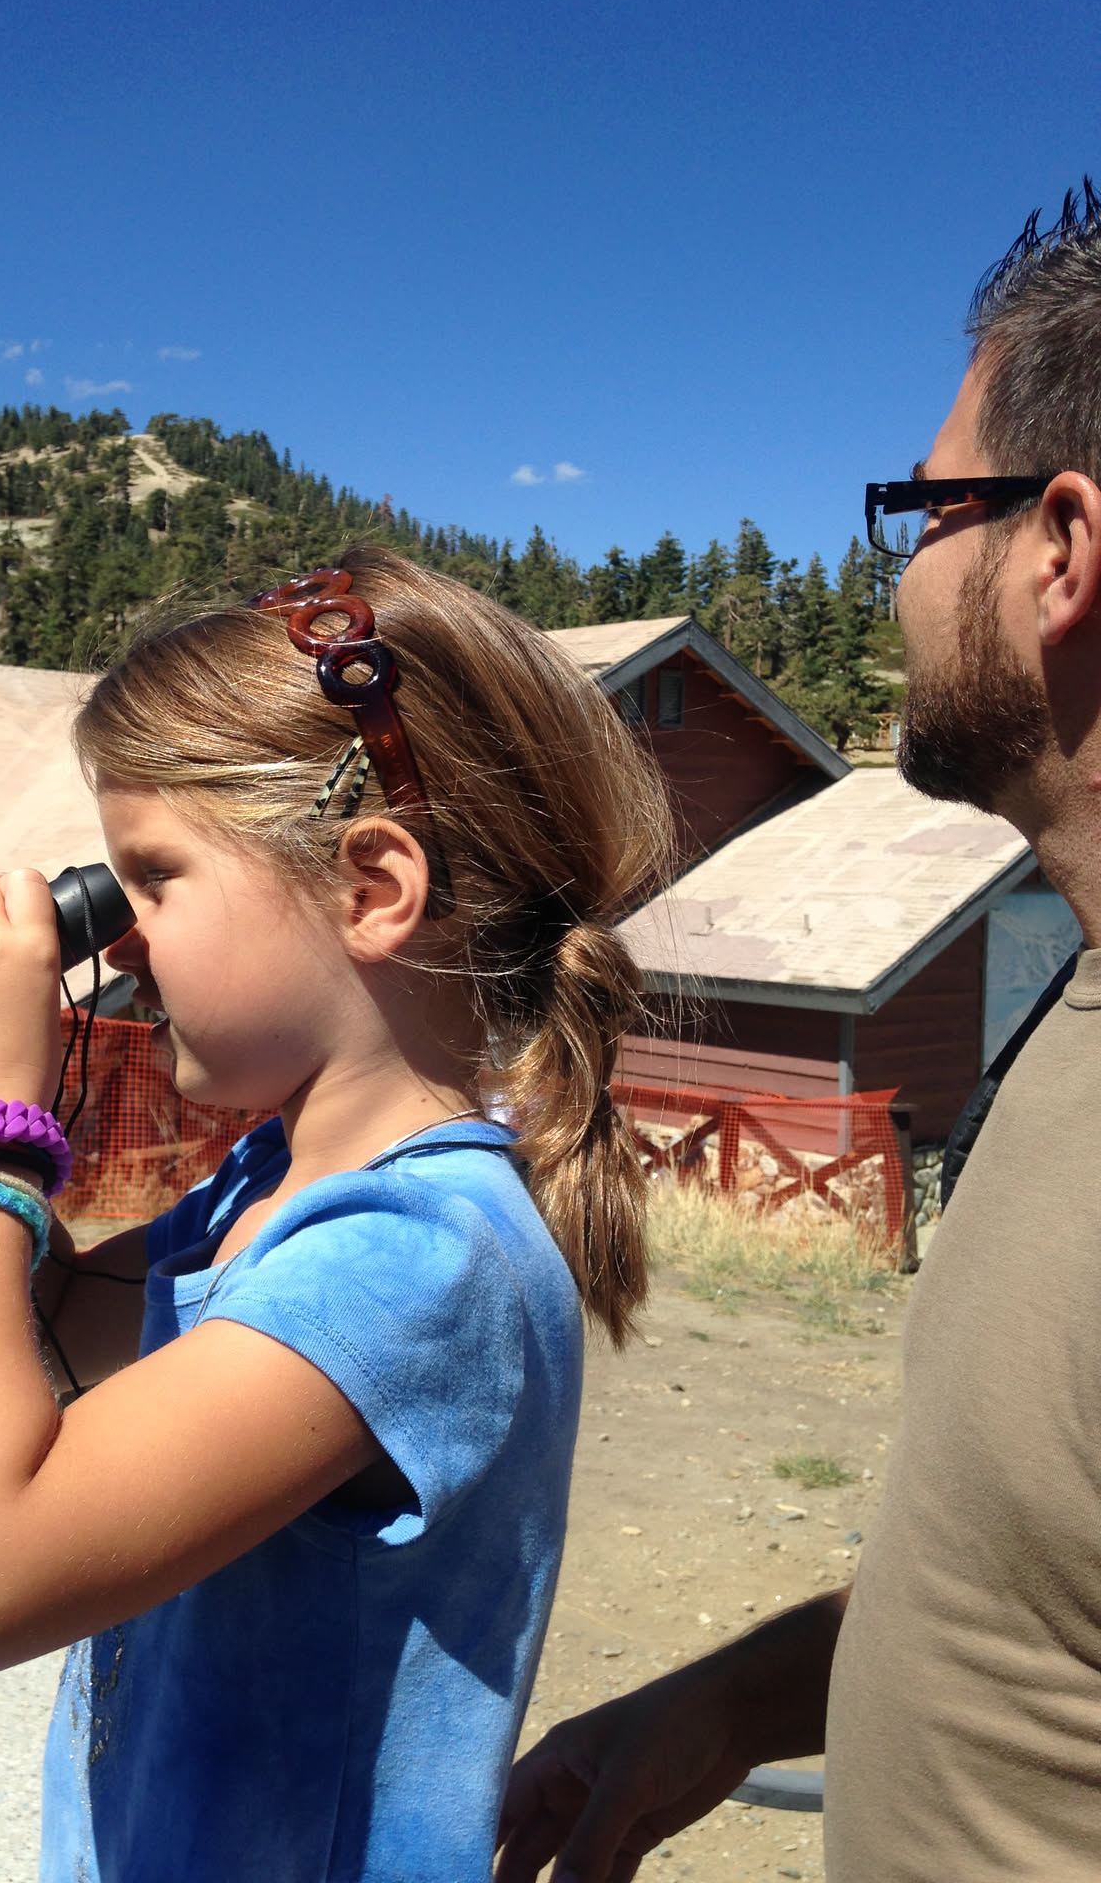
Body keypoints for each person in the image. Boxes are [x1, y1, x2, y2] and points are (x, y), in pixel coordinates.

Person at [0, 545, 671, 1882]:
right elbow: (29, 1353)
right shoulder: (266, 1192)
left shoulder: (418, 1261)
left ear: (371, 888)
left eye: (152, 879)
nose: (119, 941)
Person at [495, 180, 1101, 1883]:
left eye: (928, 512)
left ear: (1061, 551)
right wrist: (730, 1706)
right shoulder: (1069, 1020)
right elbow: (1023, 1603)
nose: (903, 580)